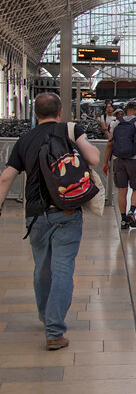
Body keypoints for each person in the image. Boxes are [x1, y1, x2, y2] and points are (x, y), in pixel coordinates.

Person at [0, 93, 101, 350]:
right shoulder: (70, 130)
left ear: (35, 114)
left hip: (35, 215)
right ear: (60, 112)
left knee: (42, 268)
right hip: (67, 211)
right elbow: (94, 159)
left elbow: (5, 178)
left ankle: (46, 316)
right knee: (63, 269)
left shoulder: (24, 140)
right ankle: (54, 331)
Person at [103, 101, 136, 229]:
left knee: (122, 190)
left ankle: (123, 220)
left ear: (125, 110)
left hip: (119, 160)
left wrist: (105, 162)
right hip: (135, 160)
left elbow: (110, 144)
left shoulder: (116, 123)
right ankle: (131, 211)